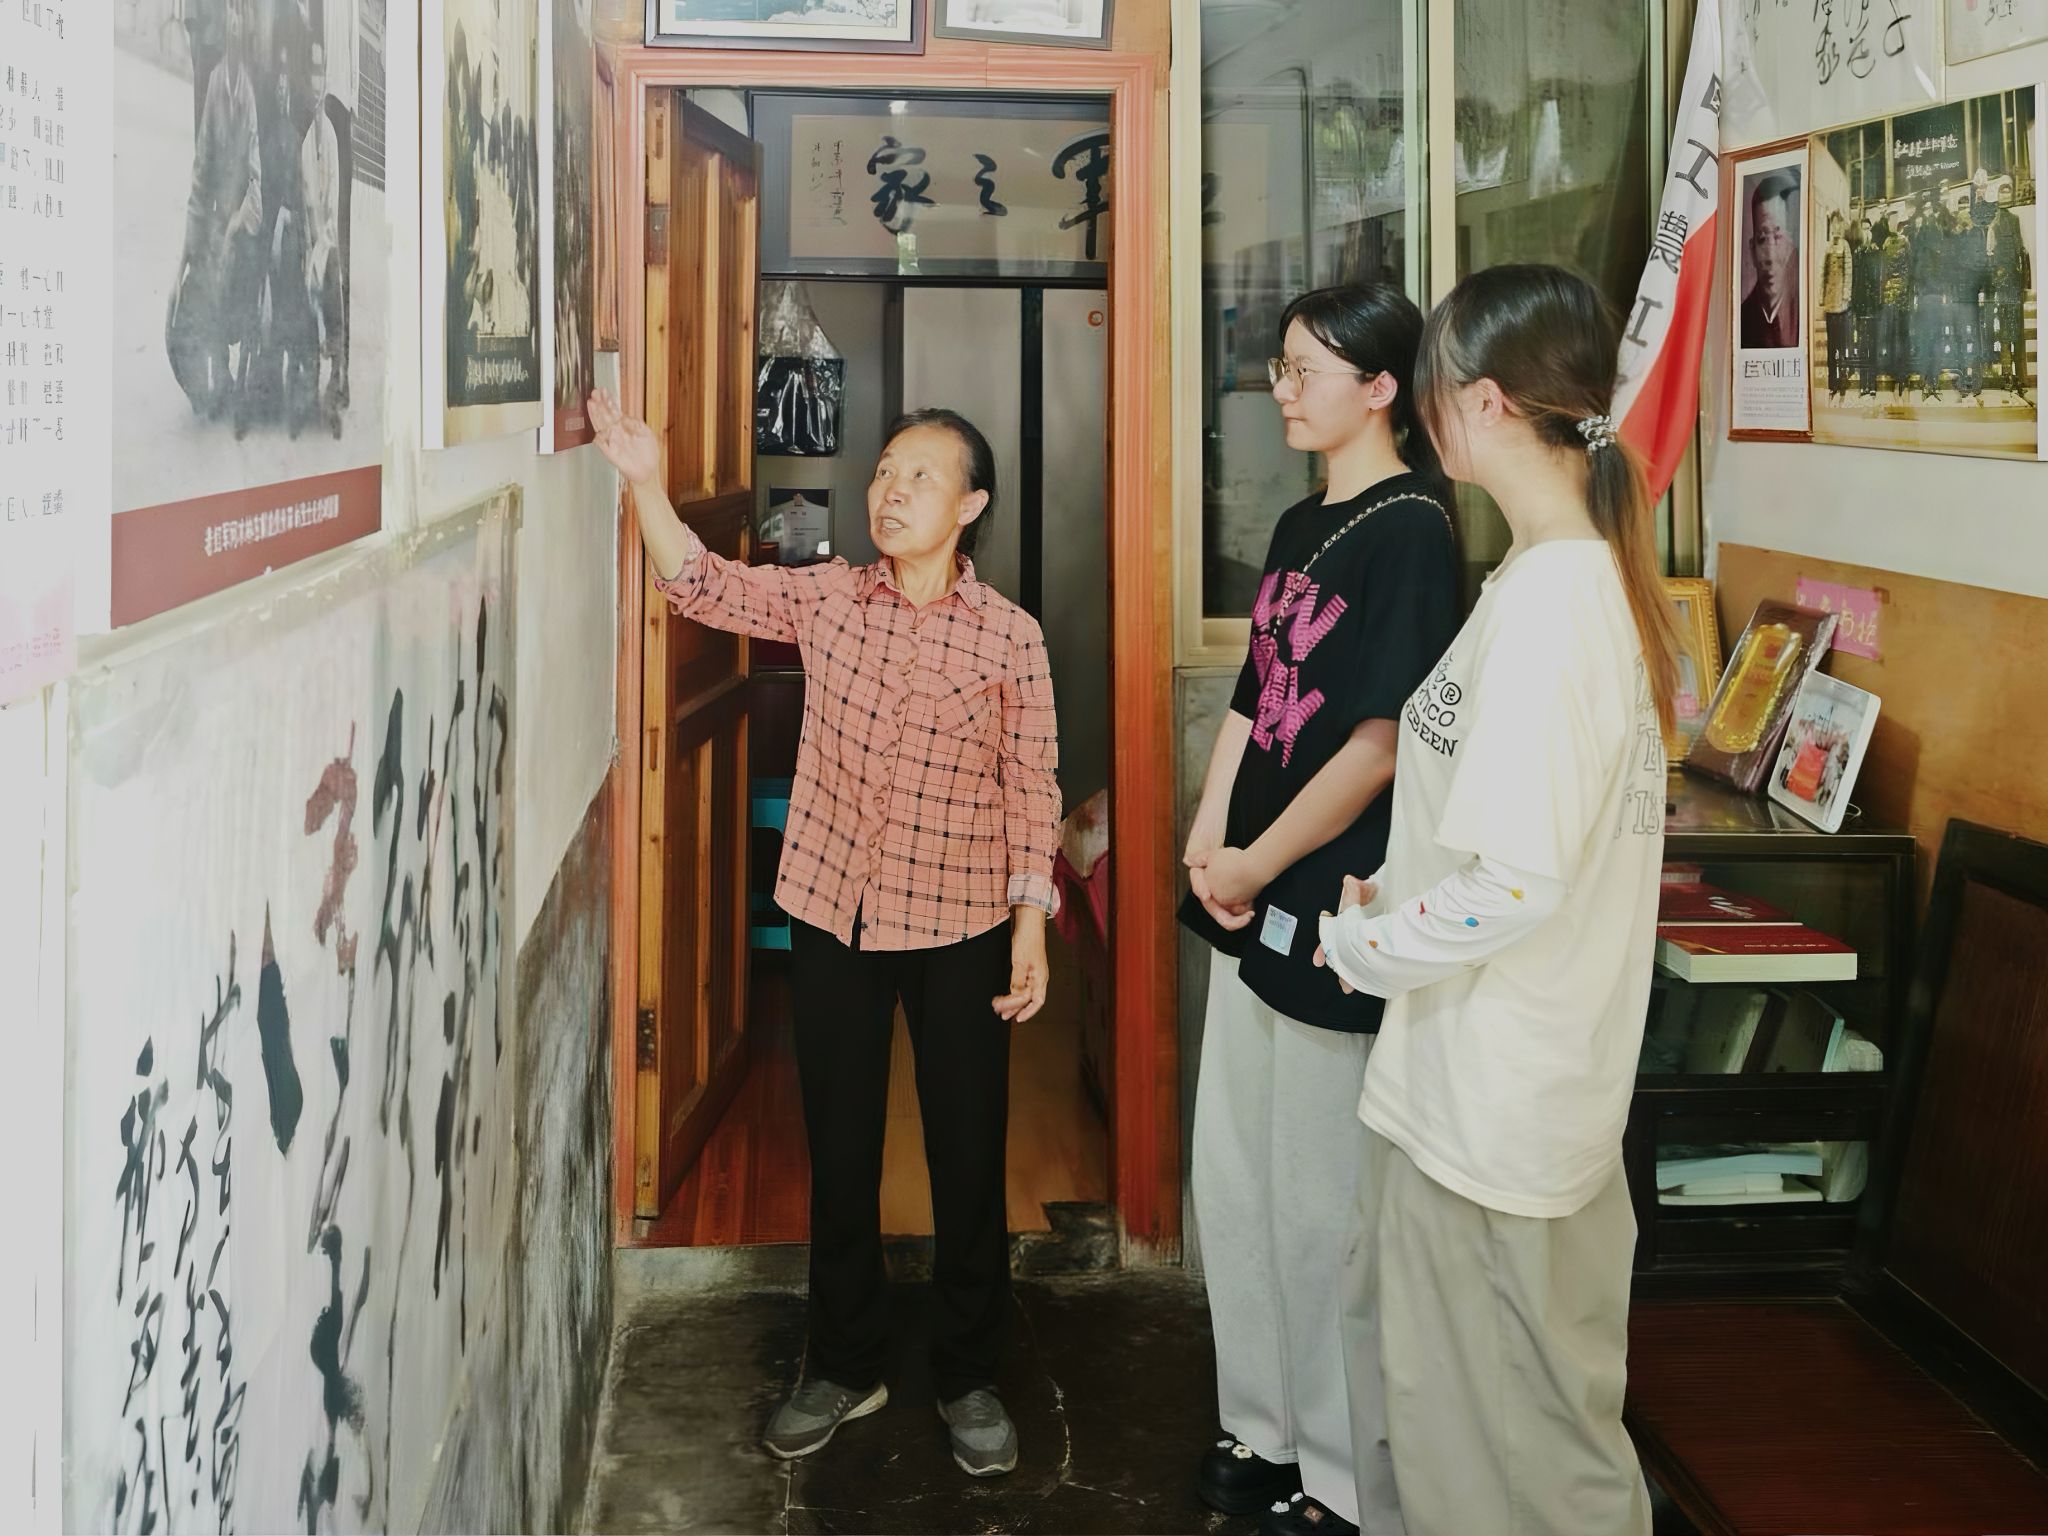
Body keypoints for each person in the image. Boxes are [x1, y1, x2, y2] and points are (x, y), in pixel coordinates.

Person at [586, 388, 1060, 1481]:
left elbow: (1032, 787)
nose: (890, 492)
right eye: (885, 471)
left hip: (962, 922)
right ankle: (845, 1363)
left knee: (966, 1153)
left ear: (970, 504)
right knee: (839, 1151)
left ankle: (969, 1373)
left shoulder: (1010, 636)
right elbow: (699, 583)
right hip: (834, 911)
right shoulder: (831, 599)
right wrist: (646, 482)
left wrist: (1029, 926)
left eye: (920, 477)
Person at [1314, 264, 1679, 1536]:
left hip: (1495, 1110)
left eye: (1428, 394)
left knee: (1509, 1464)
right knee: (1470, 1433)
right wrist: (1399, 890)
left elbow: (1517, 882)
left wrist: (1364, 945)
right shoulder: (1548, 578)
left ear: (1480, 403)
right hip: (1490, 1091)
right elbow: (1510, 840)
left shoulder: (1558, 606)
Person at [1182, 285, 1461, 1536]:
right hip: (1246, 881)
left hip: (1327, 893)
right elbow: (1254, 699)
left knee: (1317, 1200)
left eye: (1304, 370)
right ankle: (1263, 1425)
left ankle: (1342, 1476)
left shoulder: (1412, 530)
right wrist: (1210, 834)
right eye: (1280, 369)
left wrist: (1255, 863)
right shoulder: (1303, 520)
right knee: (1233, 1174)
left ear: (1379, 387)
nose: (1281, 390)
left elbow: (1376, 745)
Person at [168, 0, 263, 426]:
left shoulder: (253, 81)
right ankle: (213, 364)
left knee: (239, 272)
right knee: (197, 286)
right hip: (209, 31)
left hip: (243, 217)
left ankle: (241, 361)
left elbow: (258, 178)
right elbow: (202, 168)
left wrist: (239, 221)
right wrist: (191, 245)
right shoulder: (212, 72)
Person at [299, 39, 347, 436]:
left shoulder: (329, 134)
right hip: (306, 236)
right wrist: (314, 241)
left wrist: (325, 241)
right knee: (312, 279)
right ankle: (309, 374)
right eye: (311, 72)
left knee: (332, 275)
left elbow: (331, 201)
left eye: (321, 73)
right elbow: (308, 201)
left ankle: (335, 379)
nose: (316, 82)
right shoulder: (305, 139)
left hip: (325, 239)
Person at [1980, 176, 2032, 403]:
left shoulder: (2015, 220)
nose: (2005, 196)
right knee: (2001, 332)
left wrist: (2024, 284)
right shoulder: (1991, 221)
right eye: (2002, 192)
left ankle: (2018, 377)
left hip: (2012, 284)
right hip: (1997, 286)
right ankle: (2005, 374)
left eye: (2007, 192)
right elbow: (1988, 255)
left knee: (2014, 331)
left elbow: (2022, 252)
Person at [1739, 172, 1800, 350]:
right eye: (1762, 239)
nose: (1770, 256)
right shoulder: (1742, 319)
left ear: (1792, 245)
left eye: (1778, 236)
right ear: (1752, 250)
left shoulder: (1804, 309)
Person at [1908, 193, 1948, 400]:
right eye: (1926, 210)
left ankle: (1929, 382)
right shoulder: (1928, 237)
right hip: (1929, 296)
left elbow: (1921, 269)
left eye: (1930, 210)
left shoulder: (1927, 237)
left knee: (1930, 340)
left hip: (1930, 296)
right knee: (1931, 341)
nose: (1928, 213)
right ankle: (1930, 382)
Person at [1878, 212, 1913, 398]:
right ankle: (1893, 372)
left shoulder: (1904, 242)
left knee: (1901, 336)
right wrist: (1883, 293)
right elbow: (1883, 271)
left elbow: (1908, 269)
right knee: (1890, 334)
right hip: (1888, 296)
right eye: (1890, 221)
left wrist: (1903, 290)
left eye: (1894, 221)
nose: (1892, 224)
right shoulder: (1886, 243)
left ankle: (1902, 376)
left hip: (1901, 296)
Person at [1819, 212, 1852, 403]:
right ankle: (1832, 384)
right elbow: (1822, 274)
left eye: (1839, 225)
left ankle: (1842, 383)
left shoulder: (1845, 246)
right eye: (1833, 225)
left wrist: (1846, 296)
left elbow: (1849, 273)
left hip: (1842, 305)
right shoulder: (1827, 246)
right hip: (1830, 304)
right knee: (1831, 348)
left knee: (1841, 346)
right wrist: (1821, 298)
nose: (1836, 228)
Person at [1850, 214, 1884, 397]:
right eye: (1863, 229)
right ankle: (1863, 384)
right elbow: (1854, 281)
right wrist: (1855, 305)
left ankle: (1872, 385)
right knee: (1862, 345)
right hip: (1861, 306)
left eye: (1868, 229)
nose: (1866, 233)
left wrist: (1879, 301)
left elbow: (1880, 279)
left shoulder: (1877, 253)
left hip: (1874, 306)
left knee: (1873, 345)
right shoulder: (1856, 254)